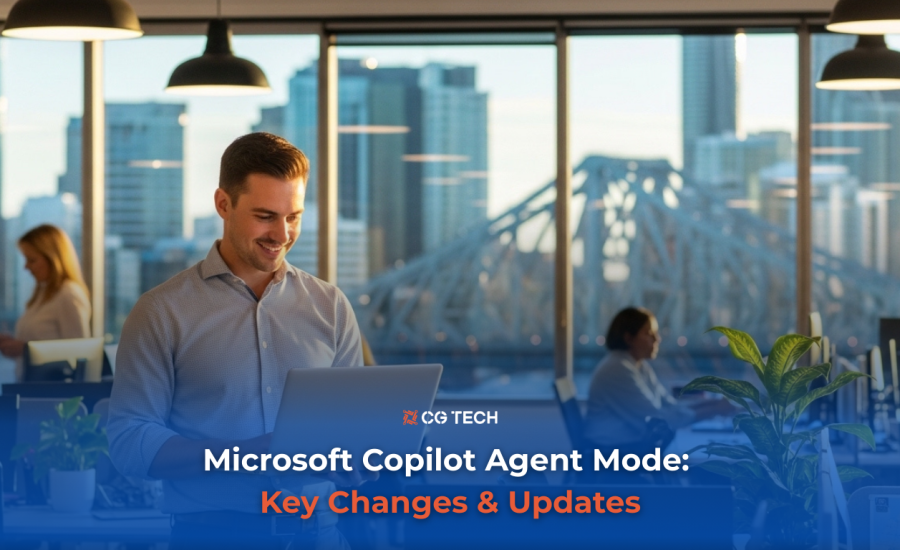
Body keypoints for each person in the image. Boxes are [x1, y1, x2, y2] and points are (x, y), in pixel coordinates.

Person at [107, 133, 364, 550]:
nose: (282, 233)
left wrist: (367, 453)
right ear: (223, 204)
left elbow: (353, 422)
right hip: (210, 537)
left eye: (294, 216)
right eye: (265, 215)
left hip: (320, 535)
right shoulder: (161, 311)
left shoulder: (330, 306)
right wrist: (241, 456)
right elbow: (129, 441)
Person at [584, 307, 733, 448]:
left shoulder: (639, 366)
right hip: (613, 450)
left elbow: (669, 405)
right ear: (629, 338)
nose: (657, 339)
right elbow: (657, 420)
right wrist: (714, 411)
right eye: (649, 333)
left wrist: (711, 404)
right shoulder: (617, 370)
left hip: (629, 444)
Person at [0, 224, 91, 380]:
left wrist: (26, 350)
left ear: (52, 258)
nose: (26, 267)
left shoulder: (68, 294)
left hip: (52, 394)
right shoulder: (43, 293)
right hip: (31, 387)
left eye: (32, 260)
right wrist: (16, 346)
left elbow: (80, 352)